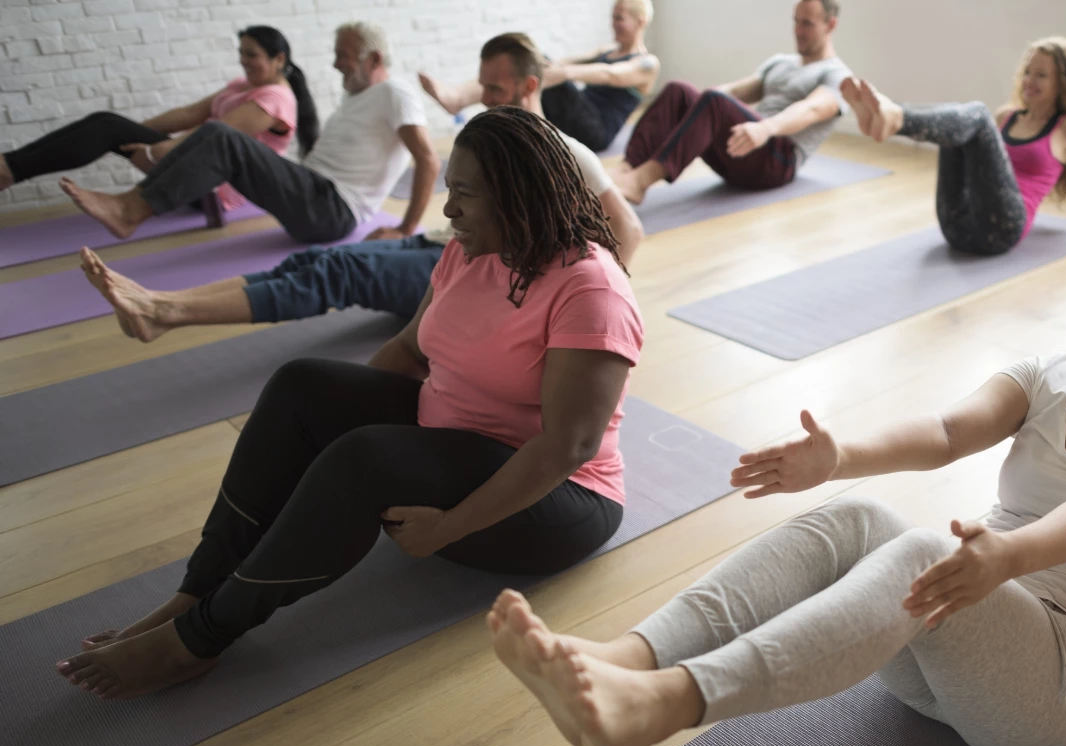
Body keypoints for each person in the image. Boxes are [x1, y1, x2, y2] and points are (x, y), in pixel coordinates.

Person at [486, 215, 1066, 746]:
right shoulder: (1048, 377)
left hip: (1050, 691)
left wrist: (1007, 555)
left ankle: (665, 705)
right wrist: (838, 456)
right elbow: (950, 432)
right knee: (854, 516)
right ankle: (625, 660)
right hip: (941, 654)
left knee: (927, 552)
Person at [55, 106, 644, 700]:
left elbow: (568, 446)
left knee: (365, 457)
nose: (447, 210)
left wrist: (445, 528)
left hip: (556, 500)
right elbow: (410, 347)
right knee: (304, 383)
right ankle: (196, 589)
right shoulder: (468, 252)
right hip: (454, 442)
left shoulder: (590, 288)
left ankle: (198, 638)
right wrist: (325, 428)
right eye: (449, 190)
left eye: (464, 195)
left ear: (519, 196)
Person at [80, 33, 645, 344]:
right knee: (319, 259)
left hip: (476, 273)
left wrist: (555, 310)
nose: (485, 96)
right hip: (445, 249)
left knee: (335, 273)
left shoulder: (560, 149)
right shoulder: (504, 135)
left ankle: (166, 312)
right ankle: (162, 305)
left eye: (494, 88)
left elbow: (627, 231)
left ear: (527, 84)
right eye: (482, 87)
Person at [56, 22, 440, 246]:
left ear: (373, 60)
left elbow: (427, 158)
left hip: (333, 210)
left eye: (343, 54)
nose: (335, 62)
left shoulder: (395, 93)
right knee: (215, 134)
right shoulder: (358, 96)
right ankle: (133, 204)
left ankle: (130, 210)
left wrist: (405, 229)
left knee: (223, 137)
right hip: (314, 194)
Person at [841, 37, 1066, 255]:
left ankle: (896, 117)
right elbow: (981, 169)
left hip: (1002, 229)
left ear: (1063, 84)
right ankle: (889, 117)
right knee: (961, 125)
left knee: (976, 116)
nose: (1030, 80)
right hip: (957, 225)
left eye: (1042, 75)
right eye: (1028, 72)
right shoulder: (1007, 117)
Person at [0, 25, 316, 220]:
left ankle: (8, 170)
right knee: (106, 124)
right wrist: (130, 131)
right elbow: (189, 114)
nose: (244, 60)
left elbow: (215, 136)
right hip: (196, 165)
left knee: (107, 126)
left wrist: (158, 149)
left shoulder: (276, 99)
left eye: (252, 55)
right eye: (241, 53)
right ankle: (8, 168)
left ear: (279, 60)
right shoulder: (242, 85)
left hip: (214, 189)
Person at [611, 0, 850, 205]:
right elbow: (735, 91)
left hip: (777, 160)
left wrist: (765, 128)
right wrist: (697, 107)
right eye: (796, 21)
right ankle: (626, 169)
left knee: (714, 101)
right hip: (744, 144)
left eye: (807, 23)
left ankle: (639, 182)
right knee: (680, 91)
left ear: (831, 25)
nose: (797, 30)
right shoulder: (782, 62)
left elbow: (810, 109)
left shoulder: (838, 75)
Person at [421, 0, 660, 153]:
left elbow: (610, 75)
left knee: (534, 71)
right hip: (578, 114)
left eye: (620, 18)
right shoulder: (605, 50)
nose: (613, 23)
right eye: (612, 17)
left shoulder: (646, 63)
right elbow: (564, 62)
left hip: (597, 131)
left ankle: (458, 100)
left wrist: (561, 73)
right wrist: (541, 64)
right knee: (531, 62)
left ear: (639, 22)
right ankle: (461, 99)